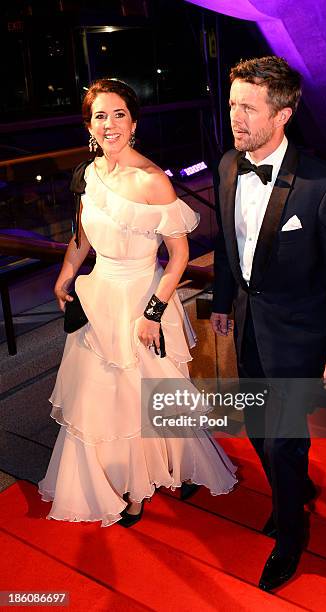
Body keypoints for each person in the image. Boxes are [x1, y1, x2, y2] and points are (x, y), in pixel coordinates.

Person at [38, 78, 237, 528]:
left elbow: (180, 255)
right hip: (99, 296)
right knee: (101, 398)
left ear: (134, 121)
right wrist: (66, 272)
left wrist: (154, 312)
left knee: (146, 396)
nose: (110, 125)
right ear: (89, 124)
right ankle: (121, 478)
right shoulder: (88, 174)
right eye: (100, 116)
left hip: (142, 300)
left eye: (119, 114)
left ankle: (141, 488)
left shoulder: (152, 181)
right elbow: (82, 236)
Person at [210, 56, 326, 591]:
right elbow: (228, 249)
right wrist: (223, 306)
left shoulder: (325, 186)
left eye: (248, 107)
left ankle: (291, 537)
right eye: (232, 105)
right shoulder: (229, 165)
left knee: (284, 441)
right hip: (250, 326)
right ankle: (291, 491)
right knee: (256, 428)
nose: (236, 117)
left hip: (301, 336)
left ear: (283, 115)